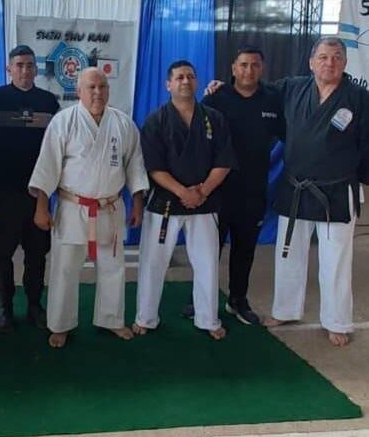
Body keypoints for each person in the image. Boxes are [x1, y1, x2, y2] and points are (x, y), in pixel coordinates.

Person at [28, 67, 149, 348]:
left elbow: (135, 164)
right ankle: (60, 324)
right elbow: (47, 167)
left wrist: (137, 203)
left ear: (108, 90)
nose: (97, 92)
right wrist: (41, 207)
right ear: (78, 91)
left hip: (110, 207)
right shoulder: (63, 121)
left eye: (102, 87)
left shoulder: (123, 123)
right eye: (91, 87)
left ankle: (111, 319)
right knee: (64, 268)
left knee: (113, 266)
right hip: (73, 207)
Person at [262, 37, 369, 346]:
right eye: (323, 57)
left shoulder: (359, 98)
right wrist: (224, 89)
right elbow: (256, 94)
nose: (329, 63)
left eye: (336, 57)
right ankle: (285, 309)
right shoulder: (293, 88)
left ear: (345, 63)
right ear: (311, 63)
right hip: (296, 187)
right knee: (288, 254)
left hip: (336, 190)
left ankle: (337, 321)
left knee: (335, 260)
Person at [181, 46, 285, 325]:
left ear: (262, 68)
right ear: (233, 68)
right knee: (208, 249)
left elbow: (289, 135)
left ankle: (237, 300)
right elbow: (198, 141)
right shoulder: (216, 98)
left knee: (245, 249)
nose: (249, 70)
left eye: (255, 65)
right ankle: (199, 297)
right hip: (217, 190)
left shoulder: (273, 100)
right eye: (243, 65)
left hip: (253, 191)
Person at [133, 60, 236, 340]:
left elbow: (224, 161)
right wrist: (183, 192)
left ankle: (208, 319)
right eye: (179, 77)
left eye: (190, 76)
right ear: (168, 84)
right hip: (165, 203)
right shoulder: (156, 120)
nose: (185, 81)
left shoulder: (214, 118)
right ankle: (145, 317)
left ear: (197, 82)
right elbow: (153, 167)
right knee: (153, 263)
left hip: (205, 202)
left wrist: (202, 191)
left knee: (207, 264)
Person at [0, 45, 59, 333]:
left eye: (30, 65)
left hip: (39, 195)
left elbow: (61, 144)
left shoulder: (49, 102)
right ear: (9, 69)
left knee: (37, 255)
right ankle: (6, 309)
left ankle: (35, 305)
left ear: (36, 69)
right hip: (4, 195)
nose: (25, 70)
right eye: (19, 65)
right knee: (2, 256)